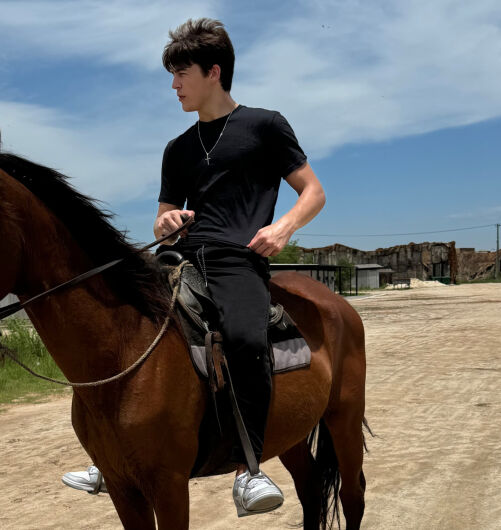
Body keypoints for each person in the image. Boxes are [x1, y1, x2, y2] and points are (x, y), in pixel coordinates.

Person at [62, 18, 326, 517]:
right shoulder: (177, 148)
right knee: (113, 328)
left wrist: (283, 228)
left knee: (246, 340)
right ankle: (111, 453)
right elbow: (163, 214)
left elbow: (314, 191)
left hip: (236, 260)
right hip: (177, 257)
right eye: (171, 74)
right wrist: (166, 222)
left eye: (181, 73)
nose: (173, 85)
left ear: (214, 71)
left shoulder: (265, 126)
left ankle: (250, 468)